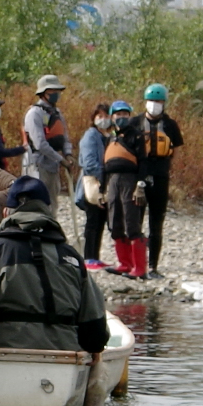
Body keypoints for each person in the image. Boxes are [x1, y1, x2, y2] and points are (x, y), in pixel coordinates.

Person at [0, 176, 110, 353]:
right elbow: (97, 335)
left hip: (3, 356)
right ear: (48, 212)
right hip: (65, 359)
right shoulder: (72, 258)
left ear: (6, 213)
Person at [137, 83, 185, 277]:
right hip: (140, 175)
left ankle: (152, 266)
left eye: (158, 101)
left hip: (161, 175)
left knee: (156, 223)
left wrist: (167, 167)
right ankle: (136, 263)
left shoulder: (170, 125)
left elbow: (177, 150)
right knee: (136, 221)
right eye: (151, 101)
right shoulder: (136, 122)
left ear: (164, 103)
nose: (154, 105)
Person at [100, 98, 146, 277]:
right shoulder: (110, 138)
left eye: (125, 114)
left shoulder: (136, 136)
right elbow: (104, 166)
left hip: (130, 180)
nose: (122, 117)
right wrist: (101, 190)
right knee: (115, 222)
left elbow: (143, 162)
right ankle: (124, 264)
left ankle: (140, 268)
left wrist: (140, 185)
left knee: (132, 221)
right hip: (112, 180)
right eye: (119, 114)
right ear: (112, 117)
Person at [74, 102, 111, 268]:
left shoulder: (107, 136)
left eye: (106, 116)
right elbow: (89, 163)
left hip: (104, 184)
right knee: (92, 220)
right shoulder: (91, 136)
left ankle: (95, 255)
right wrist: (104, 175)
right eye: (99, 116)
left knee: (100, 220)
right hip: (92, 183)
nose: (103, 119)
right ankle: (88, 256)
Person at [21, 75, 70, 192]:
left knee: (52, 203)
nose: (56, 93)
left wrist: (68, 154)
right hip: (36, 165)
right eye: (52, 90)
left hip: (52, 166)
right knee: (38, 203)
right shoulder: (34, 113)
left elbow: (65, 137)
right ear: (43, 92)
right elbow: (39, 143)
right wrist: (60, 159)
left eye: (57, 90)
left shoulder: (57, 113)